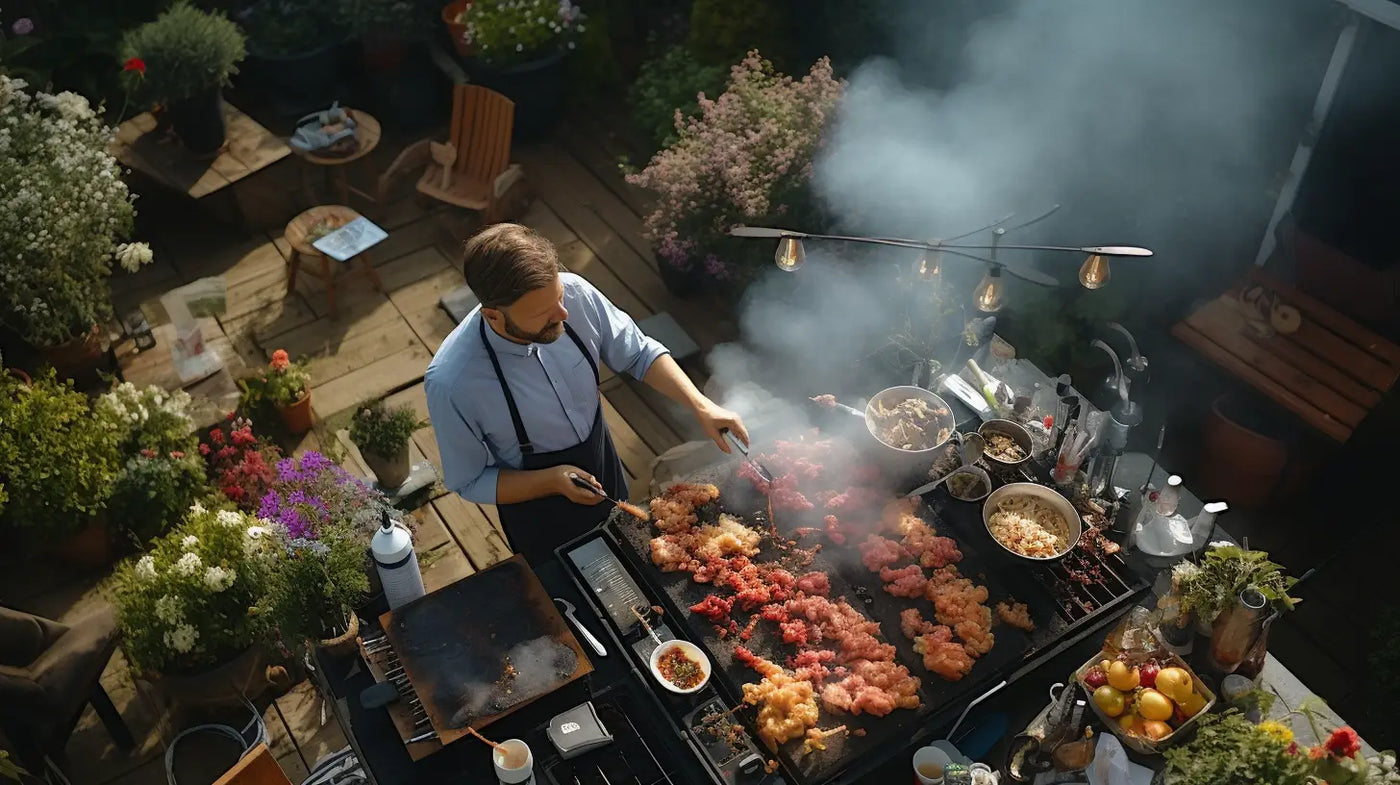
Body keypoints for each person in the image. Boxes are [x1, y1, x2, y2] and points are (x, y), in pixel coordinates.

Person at [425, 223, 748, 564]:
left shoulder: (574, 294)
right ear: (494, 317)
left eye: (560, 298)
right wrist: (552, 480)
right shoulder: (453, 382)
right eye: (544, 314)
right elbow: (469, 480)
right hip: (539, 511)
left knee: (630, 559)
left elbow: (638, 353)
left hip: (602, 462)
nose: (563, 315)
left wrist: (701, 405)